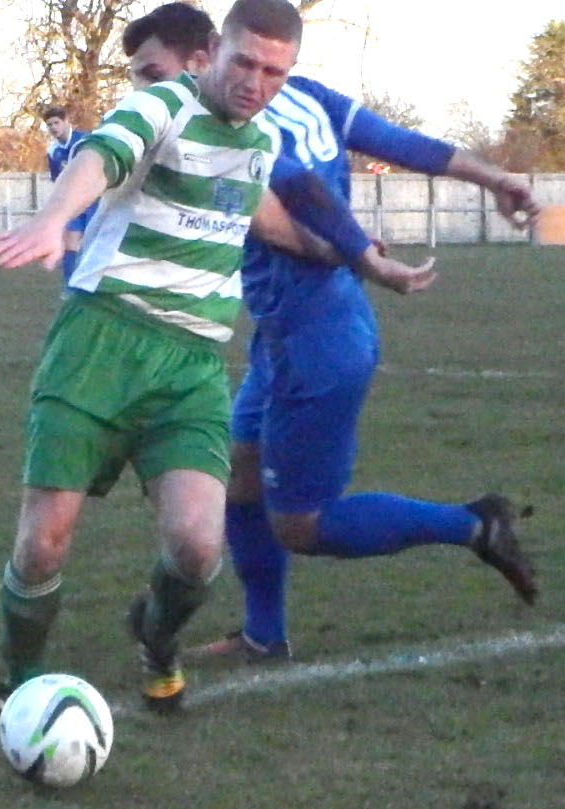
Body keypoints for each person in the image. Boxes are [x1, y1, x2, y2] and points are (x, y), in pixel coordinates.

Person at [0, 0, 442, 718]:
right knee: (43, 545)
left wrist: (366, 259)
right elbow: (99, 155)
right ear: (213, 49)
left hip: (190, 368)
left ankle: (155, 639)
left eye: (273, 71)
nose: (254, 81)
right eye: (243, 61)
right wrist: (53, 219)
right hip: (99, 345)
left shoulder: (260, 139)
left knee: (196, 550)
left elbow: (282, 214)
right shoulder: (164, 105)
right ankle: (21, 685)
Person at [101, 7, 542, 664]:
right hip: (284, 337)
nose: (146, 91)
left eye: (153, 74)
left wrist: (362, 252)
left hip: (320, 345)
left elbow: (300, 189)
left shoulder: (232, 127)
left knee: (300, 523)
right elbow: (399, 142)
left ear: (200, 58)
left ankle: (475, 525)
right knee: (238, 476)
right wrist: (493, 177)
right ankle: (262, 633)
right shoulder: (306, 97)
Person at [41, 106, 96, 284]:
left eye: (56, 123)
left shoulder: (86, 141)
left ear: (66, 122)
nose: (53, 128)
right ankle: (70, 286)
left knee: (96, 241)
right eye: (49, 125)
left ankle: (97, 283)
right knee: (70, 241)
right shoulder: (53, 151)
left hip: (96, 199)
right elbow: (58, 180)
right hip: (74, 202)